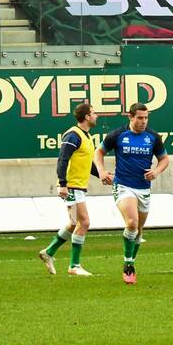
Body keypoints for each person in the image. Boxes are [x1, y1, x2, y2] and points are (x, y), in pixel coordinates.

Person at [95, 103, 170, 285]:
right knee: (132, 223)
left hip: (143, 188)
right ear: (130, 117)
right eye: (139, 118)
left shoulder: (153, 137)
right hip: (123, 185)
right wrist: (101, 171)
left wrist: (156, 172)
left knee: (138, 231)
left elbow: (164, 159)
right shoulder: (118, 135)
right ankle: (128, 265)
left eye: (146, 118)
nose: (143, 121)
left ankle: (132, 261)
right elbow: (99, 152)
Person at [38, 102, 103, 276]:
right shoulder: (73, 135)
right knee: (84, 222)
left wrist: (103, 175)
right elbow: (63, 159)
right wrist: (62, 183)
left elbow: (86, 164)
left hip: (79, 186)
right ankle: (74, 266)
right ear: (87, 117)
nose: (97, 116)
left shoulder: (86, 137)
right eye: (94, 113)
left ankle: (49, 252)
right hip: (72, 186)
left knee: (75, 223)